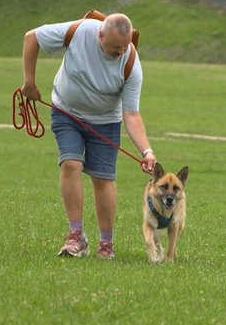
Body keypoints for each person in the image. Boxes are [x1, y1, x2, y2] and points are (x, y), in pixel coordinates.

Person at [21, 13, 157, 260]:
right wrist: (29, 82)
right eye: (115, 46)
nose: (120, 52)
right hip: (66, 111)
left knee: (103, 178)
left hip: (105, 121)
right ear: (100, 35)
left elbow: (132, 115)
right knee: (71, 163)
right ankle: (76, 236)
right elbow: (32, 37)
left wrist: (146, 151)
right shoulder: (80, 31)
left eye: (124, 46)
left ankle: (106, 244)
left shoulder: (131, 63)